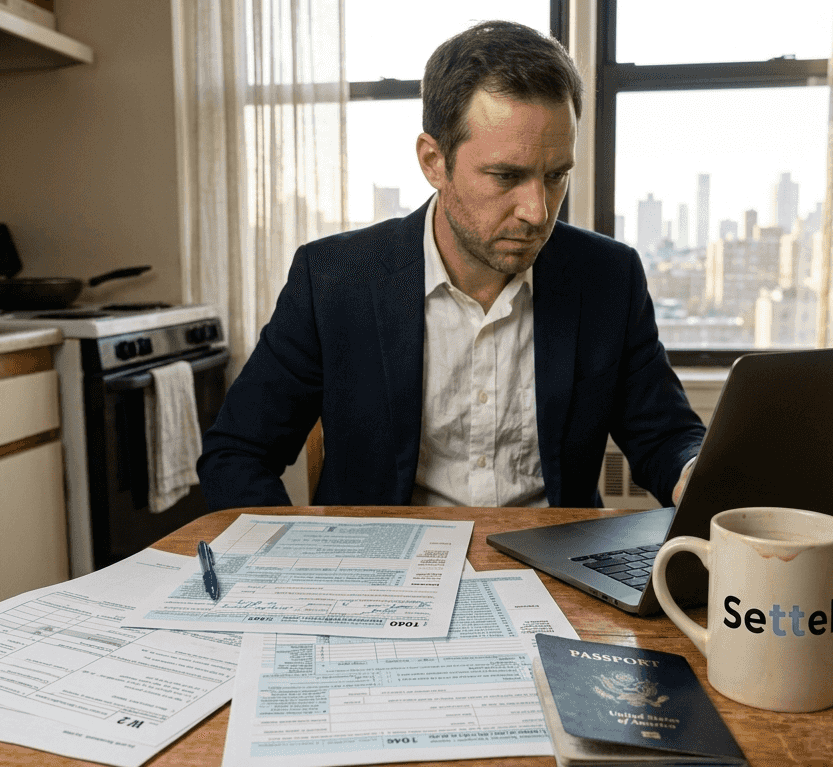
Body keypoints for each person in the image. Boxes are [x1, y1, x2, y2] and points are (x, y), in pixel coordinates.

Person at [197, 20, 705, 512]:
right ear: (433, 162)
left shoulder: (608, 278)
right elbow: (236, 454)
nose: (538, 211)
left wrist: (694, 472)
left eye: (556, 176)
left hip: (554, 574)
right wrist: (295, 567)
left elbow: (664, 436)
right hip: (382, 574)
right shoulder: (332, 279)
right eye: (506, 176)